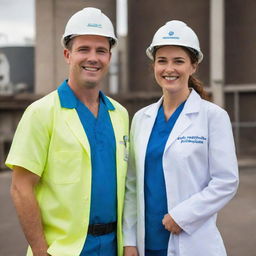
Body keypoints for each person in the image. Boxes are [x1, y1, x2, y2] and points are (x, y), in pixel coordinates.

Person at [6, 7, 129, 256]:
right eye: (83, 49)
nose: (93, 58)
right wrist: (41, 252)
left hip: (112, 247)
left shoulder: (120, 115)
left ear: (109, 57)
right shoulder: (40, 113)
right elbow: (21, 188)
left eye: (101, 51)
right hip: (62, 250)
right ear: (67, 54)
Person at [123, 20, 239, 256]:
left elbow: (226, 181)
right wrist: (130, 240)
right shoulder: (140, 119)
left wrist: (183, 216)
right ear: (154, 65)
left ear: (193, 66)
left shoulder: (213, 116)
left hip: (192, 242)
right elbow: (132, 186)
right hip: (147, 244)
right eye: (162, 61)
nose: (169, 69)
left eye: (178, 61)